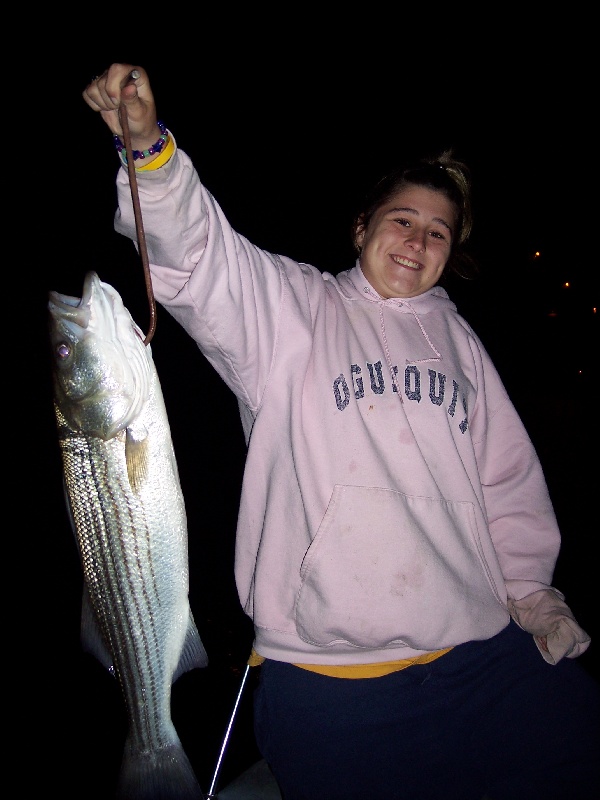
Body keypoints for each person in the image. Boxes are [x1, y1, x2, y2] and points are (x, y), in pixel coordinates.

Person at [83, 63, 599, 800]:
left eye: (438, 232)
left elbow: (507, 486)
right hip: (334, 679)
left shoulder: (462, 348)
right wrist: (148, 151)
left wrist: (537, 600)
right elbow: (202, 257)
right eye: (402, 221)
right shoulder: (293, 312)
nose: (418, 243)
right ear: (362, 227)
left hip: (482, 655)